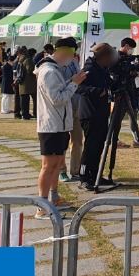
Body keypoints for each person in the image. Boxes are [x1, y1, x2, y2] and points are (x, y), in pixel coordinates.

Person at [34, 37, 87, 219]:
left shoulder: (55, 69)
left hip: (60, 124)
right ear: (63, 52)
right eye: (71, 55)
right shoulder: (49, 71)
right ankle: (42, 205)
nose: (72, 59)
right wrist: (74, 83)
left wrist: (71, 81)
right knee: (48, 166)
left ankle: (54, 197)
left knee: (57, 164)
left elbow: (59, 92)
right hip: (51, 125)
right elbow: (57, 99)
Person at [76, 43, 114, 191]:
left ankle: (95, 175)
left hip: (101, 112)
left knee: (99, 146)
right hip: (90, 113)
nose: (110, 60)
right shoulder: (90, 68)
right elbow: (78, 87)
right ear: (102, 57)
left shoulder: (102, 68)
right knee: (90, 147)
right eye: (109, 57)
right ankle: (83, 177)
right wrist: (97, 91)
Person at [59, 53, 84, 183]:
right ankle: (61, 171)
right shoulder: (57, 64)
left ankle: (75, 170)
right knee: (62, 142)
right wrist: (73, 81)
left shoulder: (74, 63)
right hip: (64, 107)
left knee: (77, 141)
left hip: (77, 105)